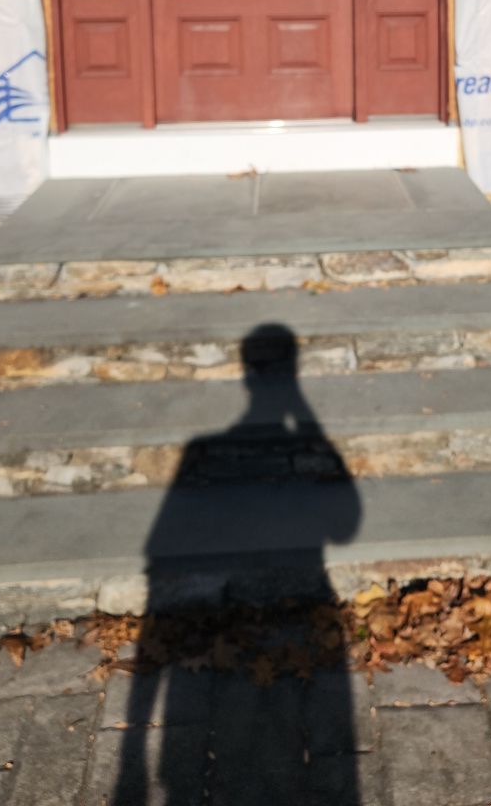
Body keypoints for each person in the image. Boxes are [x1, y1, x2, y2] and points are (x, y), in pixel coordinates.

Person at [110, 323, 362, 805]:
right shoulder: (207, 449)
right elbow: (345, 527)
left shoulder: (201, 449)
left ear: (245, 378)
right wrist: (306, 423)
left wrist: (132, 752)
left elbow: (161, 552)